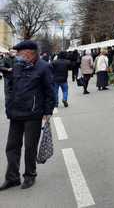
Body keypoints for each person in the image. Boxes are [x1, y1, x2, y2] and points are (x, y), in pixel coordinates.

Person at [0, 40, 55, 191]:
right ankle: (12, 178)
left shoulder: (44, 67)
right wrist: (9, 104)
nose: (17, 56)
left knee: (30, 147)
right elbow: (11, 85)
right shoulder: (18, 66)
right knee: (11, 147)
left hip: (33, 113)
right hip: (16, 113)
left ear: (30, 54)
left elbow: (50, 90)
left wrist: (48, 111)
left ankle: (30, 175)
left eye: (20, 54)